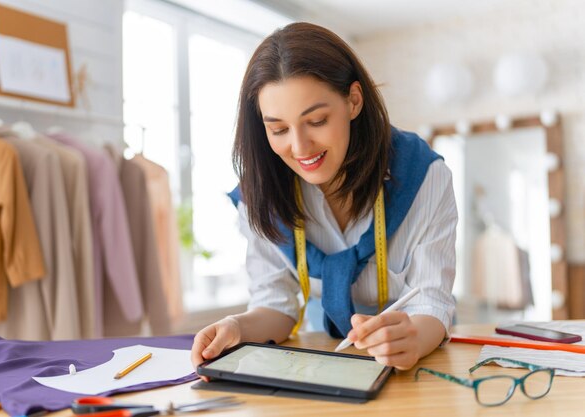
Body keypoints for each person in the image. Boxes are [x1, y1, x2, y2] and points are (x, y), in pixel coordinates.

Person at [191, 22, 457, 373]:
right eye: (279, 129)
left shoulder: (422, 174)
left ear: (353, 101)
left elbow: (431, 301)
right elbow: (276, 307)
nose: (300, 148)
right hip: (329, 368)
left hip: (414, 369)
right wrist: (237, 327)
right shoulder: (260, 194)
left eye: (316, 120)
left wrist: (413, 338)